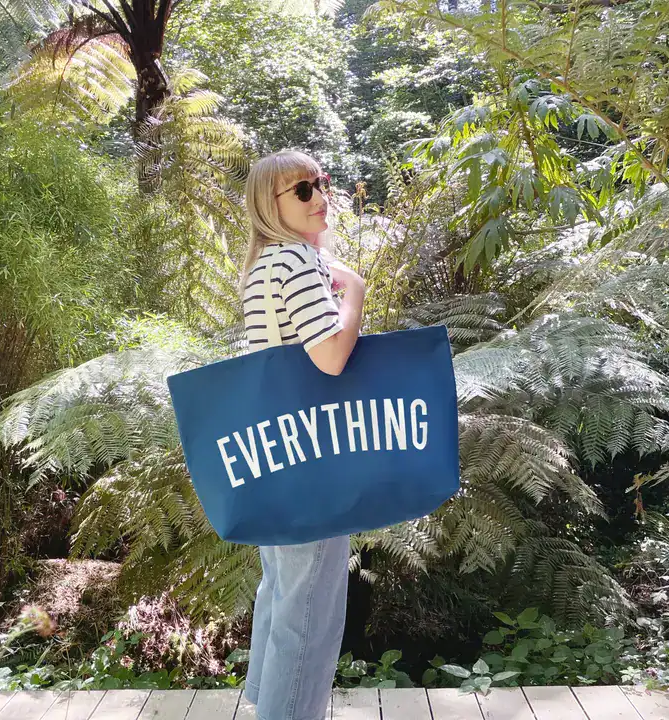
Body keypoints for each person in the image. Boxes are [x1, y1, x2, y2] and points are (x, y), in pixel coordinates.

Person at [238, 150, 366, 720]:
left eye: (322, 182)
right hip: (310, 455)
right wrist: (355, 291)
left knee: (283, 594)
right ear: (271, 205)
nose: (320, 196)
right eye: (303, 190)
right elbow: (332, 357)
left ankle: (268, 706)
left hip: (277, 452)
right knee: (310, 608)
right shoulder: (293, 260)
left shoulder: (266, 262)